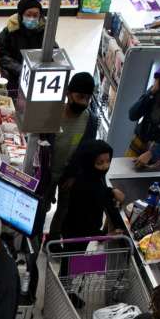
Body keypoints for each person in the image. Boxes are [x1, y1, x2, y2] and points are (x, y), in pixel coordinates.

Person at [46, 72, 100, 232]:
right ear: (68, 94)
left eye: (87, 98)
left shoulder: (91, 120)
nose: (84, 102)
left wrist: (75, 175)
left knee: (64, 211)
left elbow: (86, 151)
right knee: (42, 207)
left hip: (70, 175)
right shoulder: (53, 114)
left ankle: (53, 242)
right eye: (80, 96)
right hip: (48, 173)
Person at [56, 139, 126, 240]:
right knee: (74, 255)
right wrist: (104, 236)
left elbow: (100, 191)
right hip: (77, 236)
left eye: (108, 161)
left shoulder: (93, 176)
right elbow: (83, 223)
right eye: (100, 163)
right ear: (89, 163)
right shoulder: (83, 186)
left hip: (78, 231)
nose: (105, 166)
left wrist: (112, 191)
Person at [0, 0, 46, 95]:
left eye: (36, 15)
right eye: (28, 15)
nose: (32, 18)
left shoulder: (44, 33)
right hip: (13, 77)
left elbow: (53, 52)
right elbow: (1, 54)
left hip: (37, 80)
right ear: (21, 15)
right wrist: (21, 69)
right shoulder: (10, 31)